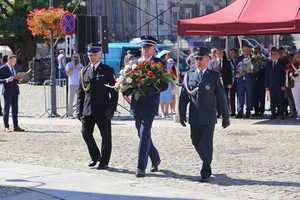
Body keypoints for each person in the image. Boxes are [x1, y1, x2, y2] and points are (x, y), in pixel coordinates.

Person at [179, 52, 230, 182]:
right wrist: (181, 114)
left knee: (205, 142)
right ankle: (207, 161)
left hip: (209, 116)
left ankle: (205, 170)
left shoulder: (214, 76)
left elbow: (222, 98)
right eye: (197, 59)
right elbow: (184, 97)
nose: (199, 61)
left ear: (208, 60)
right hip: (194, 116)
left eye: (201, 59)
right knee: (195, 141)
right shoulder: (189, 75)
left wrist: (225, 117)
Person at [130, 36, 167, 177]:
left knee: (145, 132)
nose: (145, 50)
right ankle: (155, 158)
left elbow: (164, 85)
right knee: (140, 133)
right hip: (136, 104)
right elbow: (127, 81)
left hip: (150, 104)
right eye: (144, 47)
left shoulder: (158, 63)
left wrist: (148, 89)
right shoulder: (134, 62)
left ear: (153, 49)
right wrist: (127, 89)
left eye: (148, 47)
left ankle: (141, 167)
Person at [77, 43, 118, 170]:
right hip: (88, 109)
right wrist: (79, 110)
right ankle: (95, 156)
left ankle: (104, 161)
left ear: (100, 55)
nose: (92, 57)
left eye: (94, 55)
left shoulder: (107, 70)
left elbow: (114, 92)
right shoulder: (84, 71)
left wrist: (111, 109)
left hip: (103, 109)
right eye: (90, 55)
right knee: (85, 133)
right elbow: (80, 92)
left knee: (106, 137)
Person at [0, 54, 25, 132]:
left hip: (15, 90)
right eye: (14, 60)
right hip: (7, 91)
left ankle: (16, 126)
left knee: (15, 109)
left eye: (15, 61)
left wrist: (18, 79)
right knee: (6, 109)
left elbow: (13, 78)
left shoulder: (13, 67)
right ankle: (6, 127)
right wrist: (6, 80)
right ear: (9, 60)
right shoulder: (3, 67)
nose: (15, 62)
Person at [265, 48, 286, 119]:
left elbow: (283, 75)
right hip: (271, 85)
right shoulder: (268, 64)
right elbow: (267, 75)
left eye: (275, 54)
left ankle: (281, 114)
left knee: (280, 100)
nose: (273, 56)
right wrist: (267, 85)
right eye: (272, 54)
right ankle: (273, 113)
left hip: (279, 85)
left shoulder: (281, 63)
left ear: (278, 55)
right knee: (272, 100)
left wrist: (283, 85)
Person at [236, 45, 254, 118]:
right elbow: (236, 68)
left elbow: (255, 68)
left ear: (249, 51)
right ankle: (240, 111)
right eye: (244, 50)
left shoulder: (253, 58)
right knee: (240, 96)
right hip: (240, 80)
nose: (246, 52)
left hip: (249, 79)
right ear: (242, 51)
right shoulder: (239, 58)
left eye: (247, 50)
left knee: (249, 96)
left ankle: (248, 111)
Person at [65, 52, 83, 118]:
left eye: (77, 57)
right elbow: (68, 74)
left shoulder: (81, 65)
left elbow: (83, 74)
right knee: (70, 100)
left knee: (79, 99)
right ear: (72, 58)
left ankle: (78, 113)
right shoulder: (69, 64)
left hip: (79, 84)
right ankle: (70, 114)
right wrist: (72, 67)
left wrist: (79, 69)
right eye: (74, 57)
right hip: (72, 84)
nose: (76, 59)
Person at [158, 50, 173, 118]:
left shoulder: (168, 63)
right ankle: (162, 112)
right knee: (161, 98)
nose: (168, 56)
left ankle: (167, 112)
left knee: (167, 97)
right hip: (161, 81)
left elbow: (169, 72)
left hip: (167, 80)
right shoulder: (159, 63)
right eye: (167, 55)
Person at [252, 47, 267, 116]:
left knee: (261, 96)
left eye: (257, 50)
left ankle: (262, 110)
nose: (256, 51)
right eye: (255, 50)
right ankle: (256, 110)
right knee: (255, 96)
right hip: (254, 79)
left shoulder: (263, 58)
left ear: (260, 51)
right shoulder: (252, 58)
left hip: (261, 79)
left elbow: (265, 68)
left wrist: (258, 74)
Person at [287, 52, 300, 119]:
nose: (297, 58)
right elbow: (287, 72)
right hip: (294, 84)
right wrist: (291, 74)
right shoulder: (291, 65)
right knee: (296, 99)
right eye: (296, 57)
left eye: (298, 56)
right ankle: (299, 113)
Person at [228, 48, 239, 116]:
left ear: (236, 53)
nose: (231, 54)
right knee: (231, 97)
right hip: (231, 82)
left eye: (233, 53)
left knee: (239, 97)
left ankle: (239, 110)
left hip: (239, 81)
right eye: (230, 53)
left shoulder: (239, 60)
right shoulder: (228, 61)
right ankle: (233, 111)